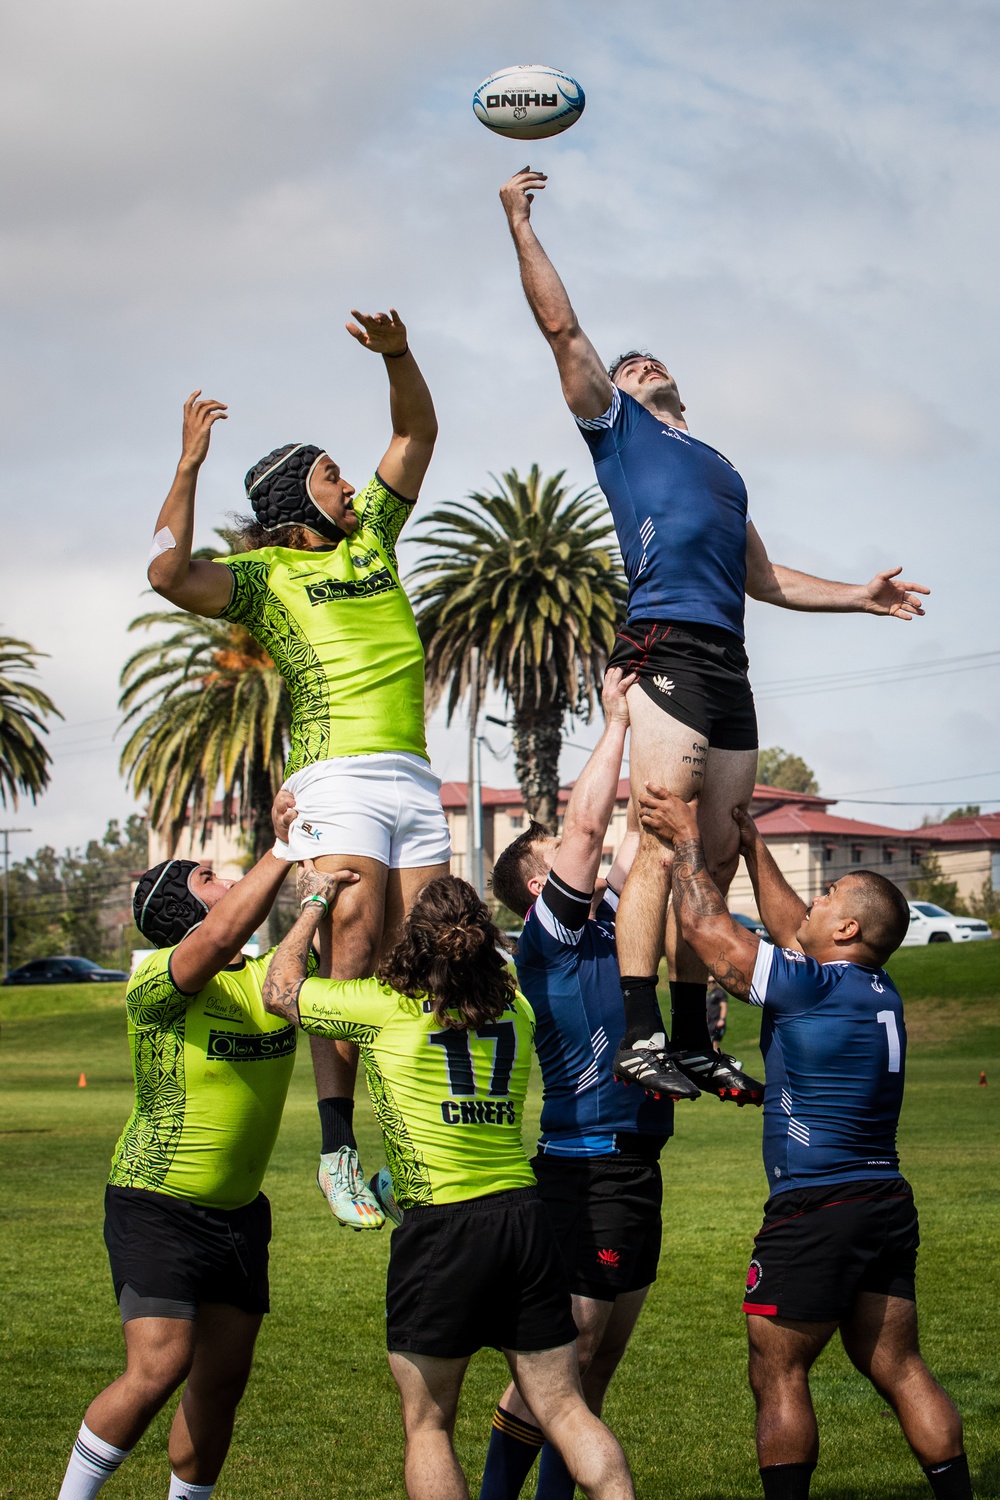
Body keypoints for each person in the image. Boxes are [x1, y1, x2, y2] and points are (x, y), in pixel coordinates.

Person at [497, 166, 931, 1105]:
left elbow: (762, 578)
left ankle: (692, 1038)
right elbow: (563, 329)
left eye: (650, 362)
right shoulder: (616, 431)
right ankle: (641, 1031)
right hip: (660, 648)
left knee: (725, 842)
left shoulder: (723, 467)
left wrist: (861, 595)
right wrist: (521, 224)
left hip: (726, 661)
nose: (638, 362)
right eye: (628, 364)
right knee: (660, 836)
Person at [145, 307, 449, 1229]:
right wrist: (190, 465)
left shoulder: (373, 541)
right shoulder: (264, 573)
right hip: (333, 773)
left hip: (413, 775)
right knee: (347, 939)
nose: (352, 482)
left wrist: (397, 354)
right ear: (293, 502)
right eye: (330, 474)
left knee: (422, 957)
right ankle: (337, 1148)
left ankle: (403, 1149)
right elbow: (166, 572)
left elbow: (416, 430)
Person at [636, 783, 973, 1500]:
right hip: (884, 1201)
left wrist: (686, 838)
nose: (812, 904)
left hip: (816, 1208)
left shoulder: (812, 987)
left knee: (777, 1369)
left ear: (849, 931)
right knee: (898, 1364)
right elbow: (797, 928)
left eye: (829, 899)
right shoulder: (875, 989)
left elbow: (707, 931)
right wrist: (755, 847)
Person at [262, 868, 637, 1500]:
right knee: (567, 1409)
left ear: (416, 938)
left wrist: (314, 904)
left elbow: (281, 989)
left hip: (442, 1227)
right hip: (523, 1218)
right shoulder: (515, 1007)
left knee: (429, 1425)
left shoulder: (383, 1008)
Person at [56, 792, 330, 1500]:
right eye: (209, 875)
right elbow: (211, 944)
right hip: (155, 1202)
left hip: (239, 1215)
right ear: (186, 909)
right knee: (159, 1367)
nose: (227, 874)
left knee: (219, 1387)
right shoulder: (157, 979)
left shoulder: (271, 978)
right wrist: (282, 849)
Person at [480, 668, 676, 1500]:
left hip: (636, 1170)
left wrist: (666, 727)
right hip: (585, 1170)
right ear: (539, 883)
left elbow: (642, 836)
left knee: (592, 1377)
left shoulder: (612, 923)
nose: (580, 855)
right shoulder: (549, 935)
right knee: (561, 1372)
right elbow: (593, 826)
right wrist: (616, 724)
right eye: (557, 856)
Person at [706, 978, 728, 1048]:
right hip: (710, 1023)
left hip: (716, 1022)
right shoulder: (709, 994)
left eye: (713, 982)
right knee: (710, 1045)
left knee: (715, 1044)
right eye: (709, 982)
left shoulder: (719, 993)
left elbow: (723, 1006)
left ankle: (718, 1057)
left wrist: (722, 1019)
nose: (711, 984)